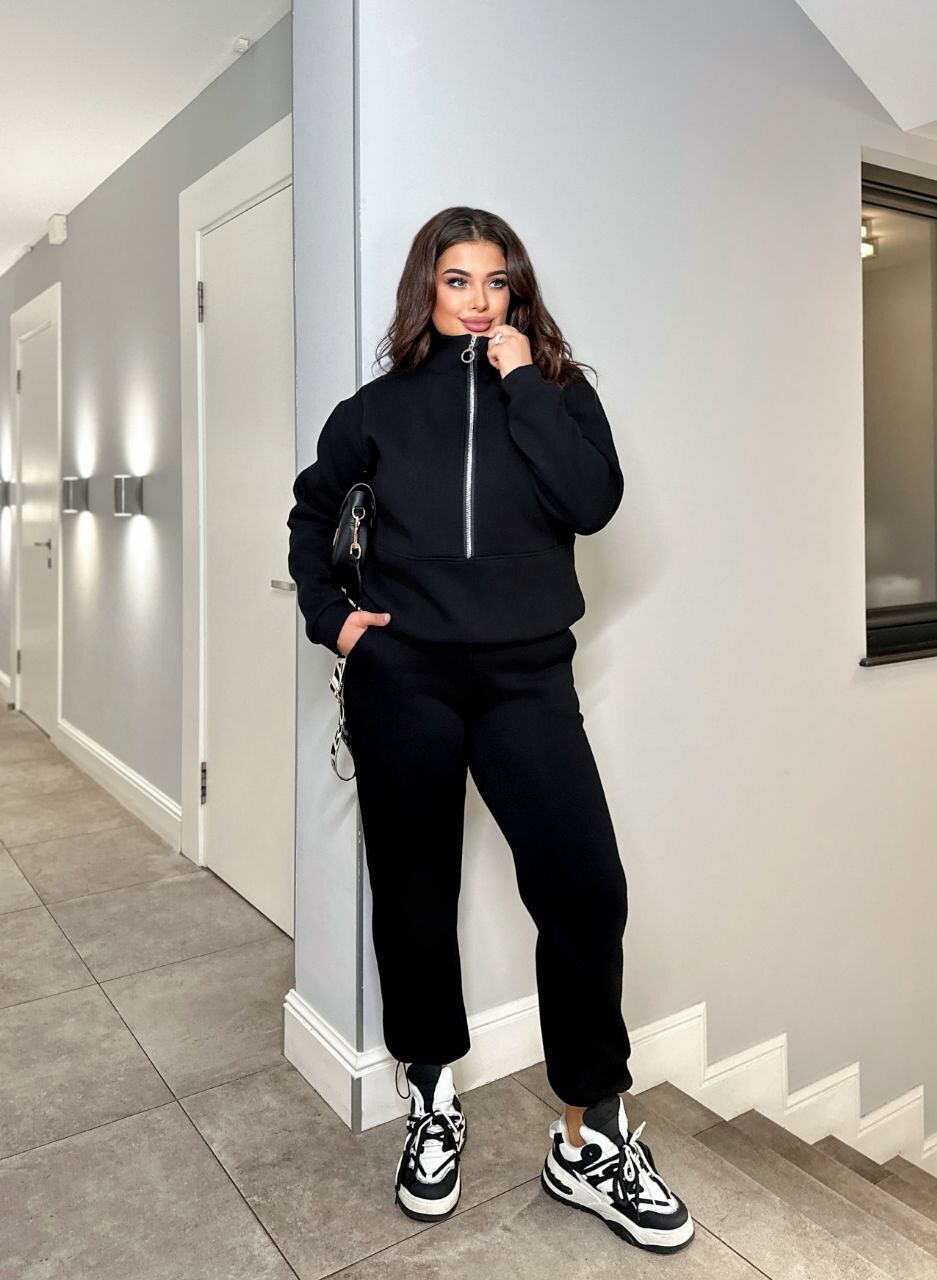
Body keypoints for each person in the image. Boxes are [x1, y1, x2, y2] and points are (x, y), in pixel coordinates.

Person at [287, 207, 694, 1254]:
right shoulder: (373, 410)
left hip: (526, 680)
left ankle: (590, 1139)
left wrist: (524, 384)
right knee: (416, 897)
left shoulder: (557, 391)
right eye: (456, 280)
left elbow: (593, 502)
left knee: (586, 890)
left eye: (495, 280)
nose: (477, 300)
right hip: (406, 680)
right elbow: (310, 516)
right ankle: (432, 1099)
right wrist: (334, 618)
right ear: (426, 290)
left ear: (517, 291)